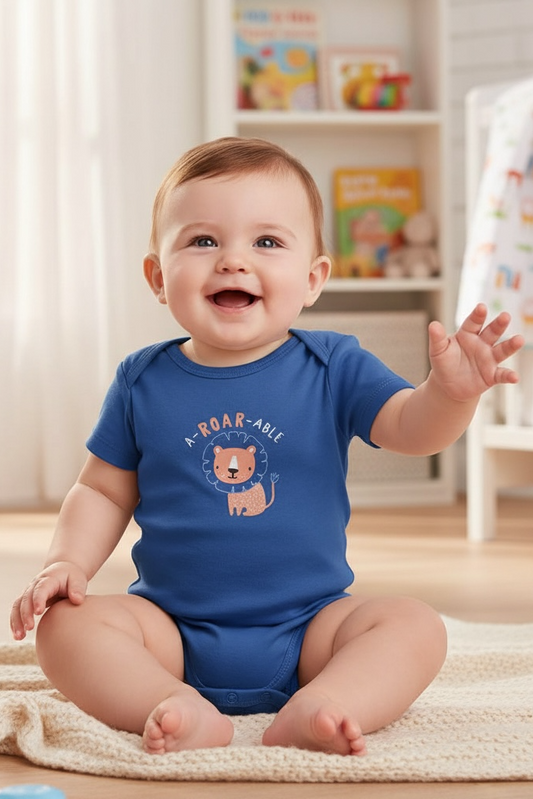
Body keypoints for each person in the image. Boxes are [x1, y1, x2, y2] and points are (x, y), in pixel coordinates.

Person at [11, 137, 524, 757]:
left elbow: (410, 430)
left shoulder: (333, 363)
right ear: (157, 276)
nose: (233, 261)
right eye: (203, 241)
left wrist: (451, 396)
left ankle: (325, 703)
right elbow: (99, 488)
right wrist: (67, 563)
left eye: (267, 242)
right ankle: (169, 704)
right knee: (66, 628)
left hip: (311, 628)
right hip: (170, 631)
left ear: (313, 279)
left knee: (414, 626)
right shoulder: (141, 381)